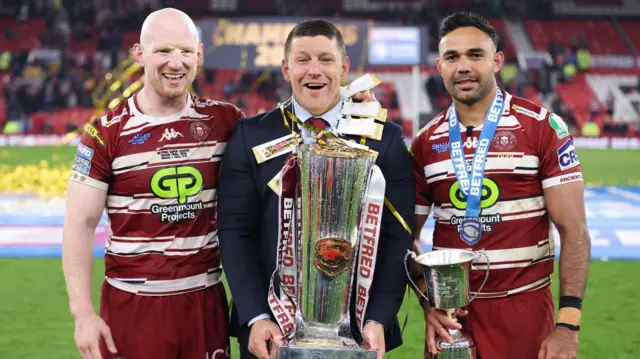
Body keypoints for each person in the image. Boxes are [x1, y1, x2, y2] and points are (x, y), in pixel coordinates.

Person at [217, 19, 414, 359]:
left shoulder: (385, 137)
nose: (314, 70)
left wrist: (379, 318)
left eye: (325, 59)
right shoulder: (250, 135)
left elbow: (398, 236)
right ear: (285, 67)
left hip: (358, 331)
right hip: (271, 333)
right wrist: (257, 316)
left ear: (344, 66)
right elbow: (235, 232)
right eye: (303, 59)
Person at [61, 8, 244, 359]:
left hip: (204, 301)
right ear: (139, 54)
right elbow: (79, 225)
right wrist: (82, 313)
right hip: (132, 305)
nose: (176, 63)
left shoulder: (226, 120)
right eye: (163, 50)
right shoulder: (104, 134)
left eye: (185, 51)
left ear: (199, 54)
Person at [409, 12, 591, 359]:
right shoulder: (424, 143)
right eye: (452, 57)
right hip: (452, 322)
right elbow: (405, 236)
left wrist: (568, 326)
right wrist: (428, 301)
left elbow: (574, 230)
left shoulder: (543, 127)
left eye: (475, 55)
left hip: (524, 316)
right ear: (439, 66)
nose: (463, 66)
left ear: (497, 61)